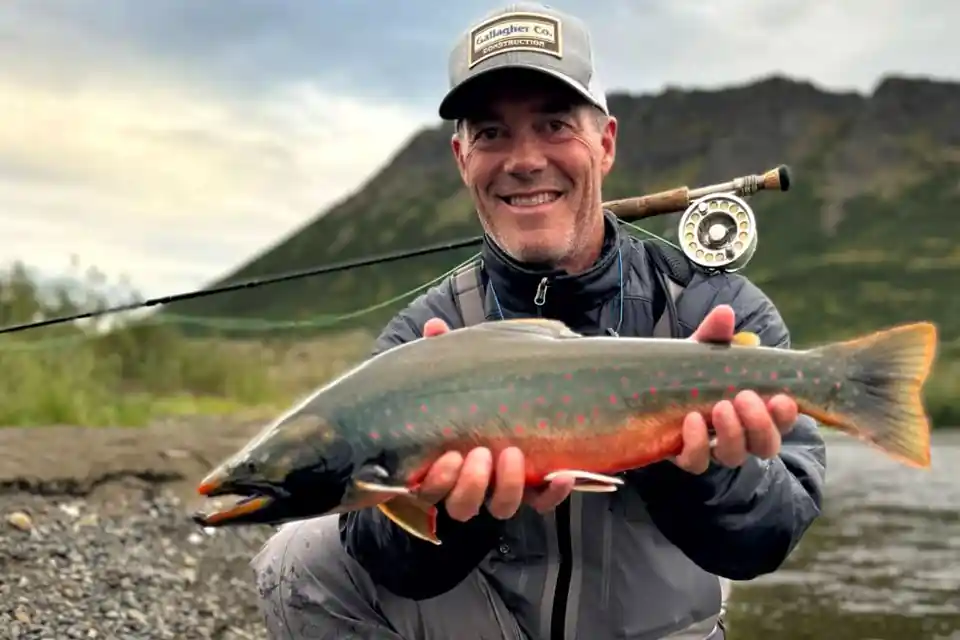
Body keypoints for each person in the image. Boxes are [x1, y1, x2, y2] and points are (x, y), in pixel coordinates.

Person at [250, 3, 828, 639]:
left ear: (605, 144)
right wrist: (458, 511)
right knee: (297, 556)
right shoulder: (428, 334)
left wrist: (701, 466)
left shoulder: (712, 311)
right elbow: (379, 554)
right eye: (492, 134)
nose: (523, 159)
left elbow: (769, 539)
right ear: (461, 157)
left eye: (554, 125)